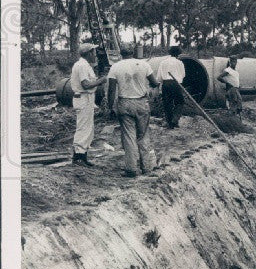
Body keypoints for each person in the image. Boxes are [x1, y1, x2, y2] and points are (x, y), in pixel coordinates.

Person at [107, 44, 159, 177]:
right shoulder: (144, 65)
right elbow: (154, 82)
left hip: (125, 103)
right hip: (142, 103)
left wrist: (110, 107)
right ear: (133, 52)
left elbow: (112, 89)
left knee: (129, 136)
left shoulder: (115, 67)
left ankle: (131, 168)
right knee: (143, 135)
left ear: (121, 54)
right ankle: (146, 167)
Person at [70, 42, 107, 167]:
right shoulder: (81, 65)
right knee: (83, 128)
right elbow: (85, 84)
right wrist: (100, 81)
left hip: (87, 98)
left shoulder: (86, 65)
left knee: (88, 128)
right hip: (83, 97)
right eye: (93, 52)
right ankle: (78, 157)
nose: (95, 55)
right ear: (88, 53)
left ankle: (83, 155)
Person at [157, 45, 186, 128]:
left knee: (167, 103)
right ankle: (175, 119)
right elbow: (183, 75)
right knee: (180, 102)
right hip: (176, 83)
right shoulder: (180, 63)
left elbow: (159, 77)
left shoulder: (163, 62)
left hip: (166, 83)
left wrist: (161, 84)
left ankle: (170, 123)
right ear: (178, 54)